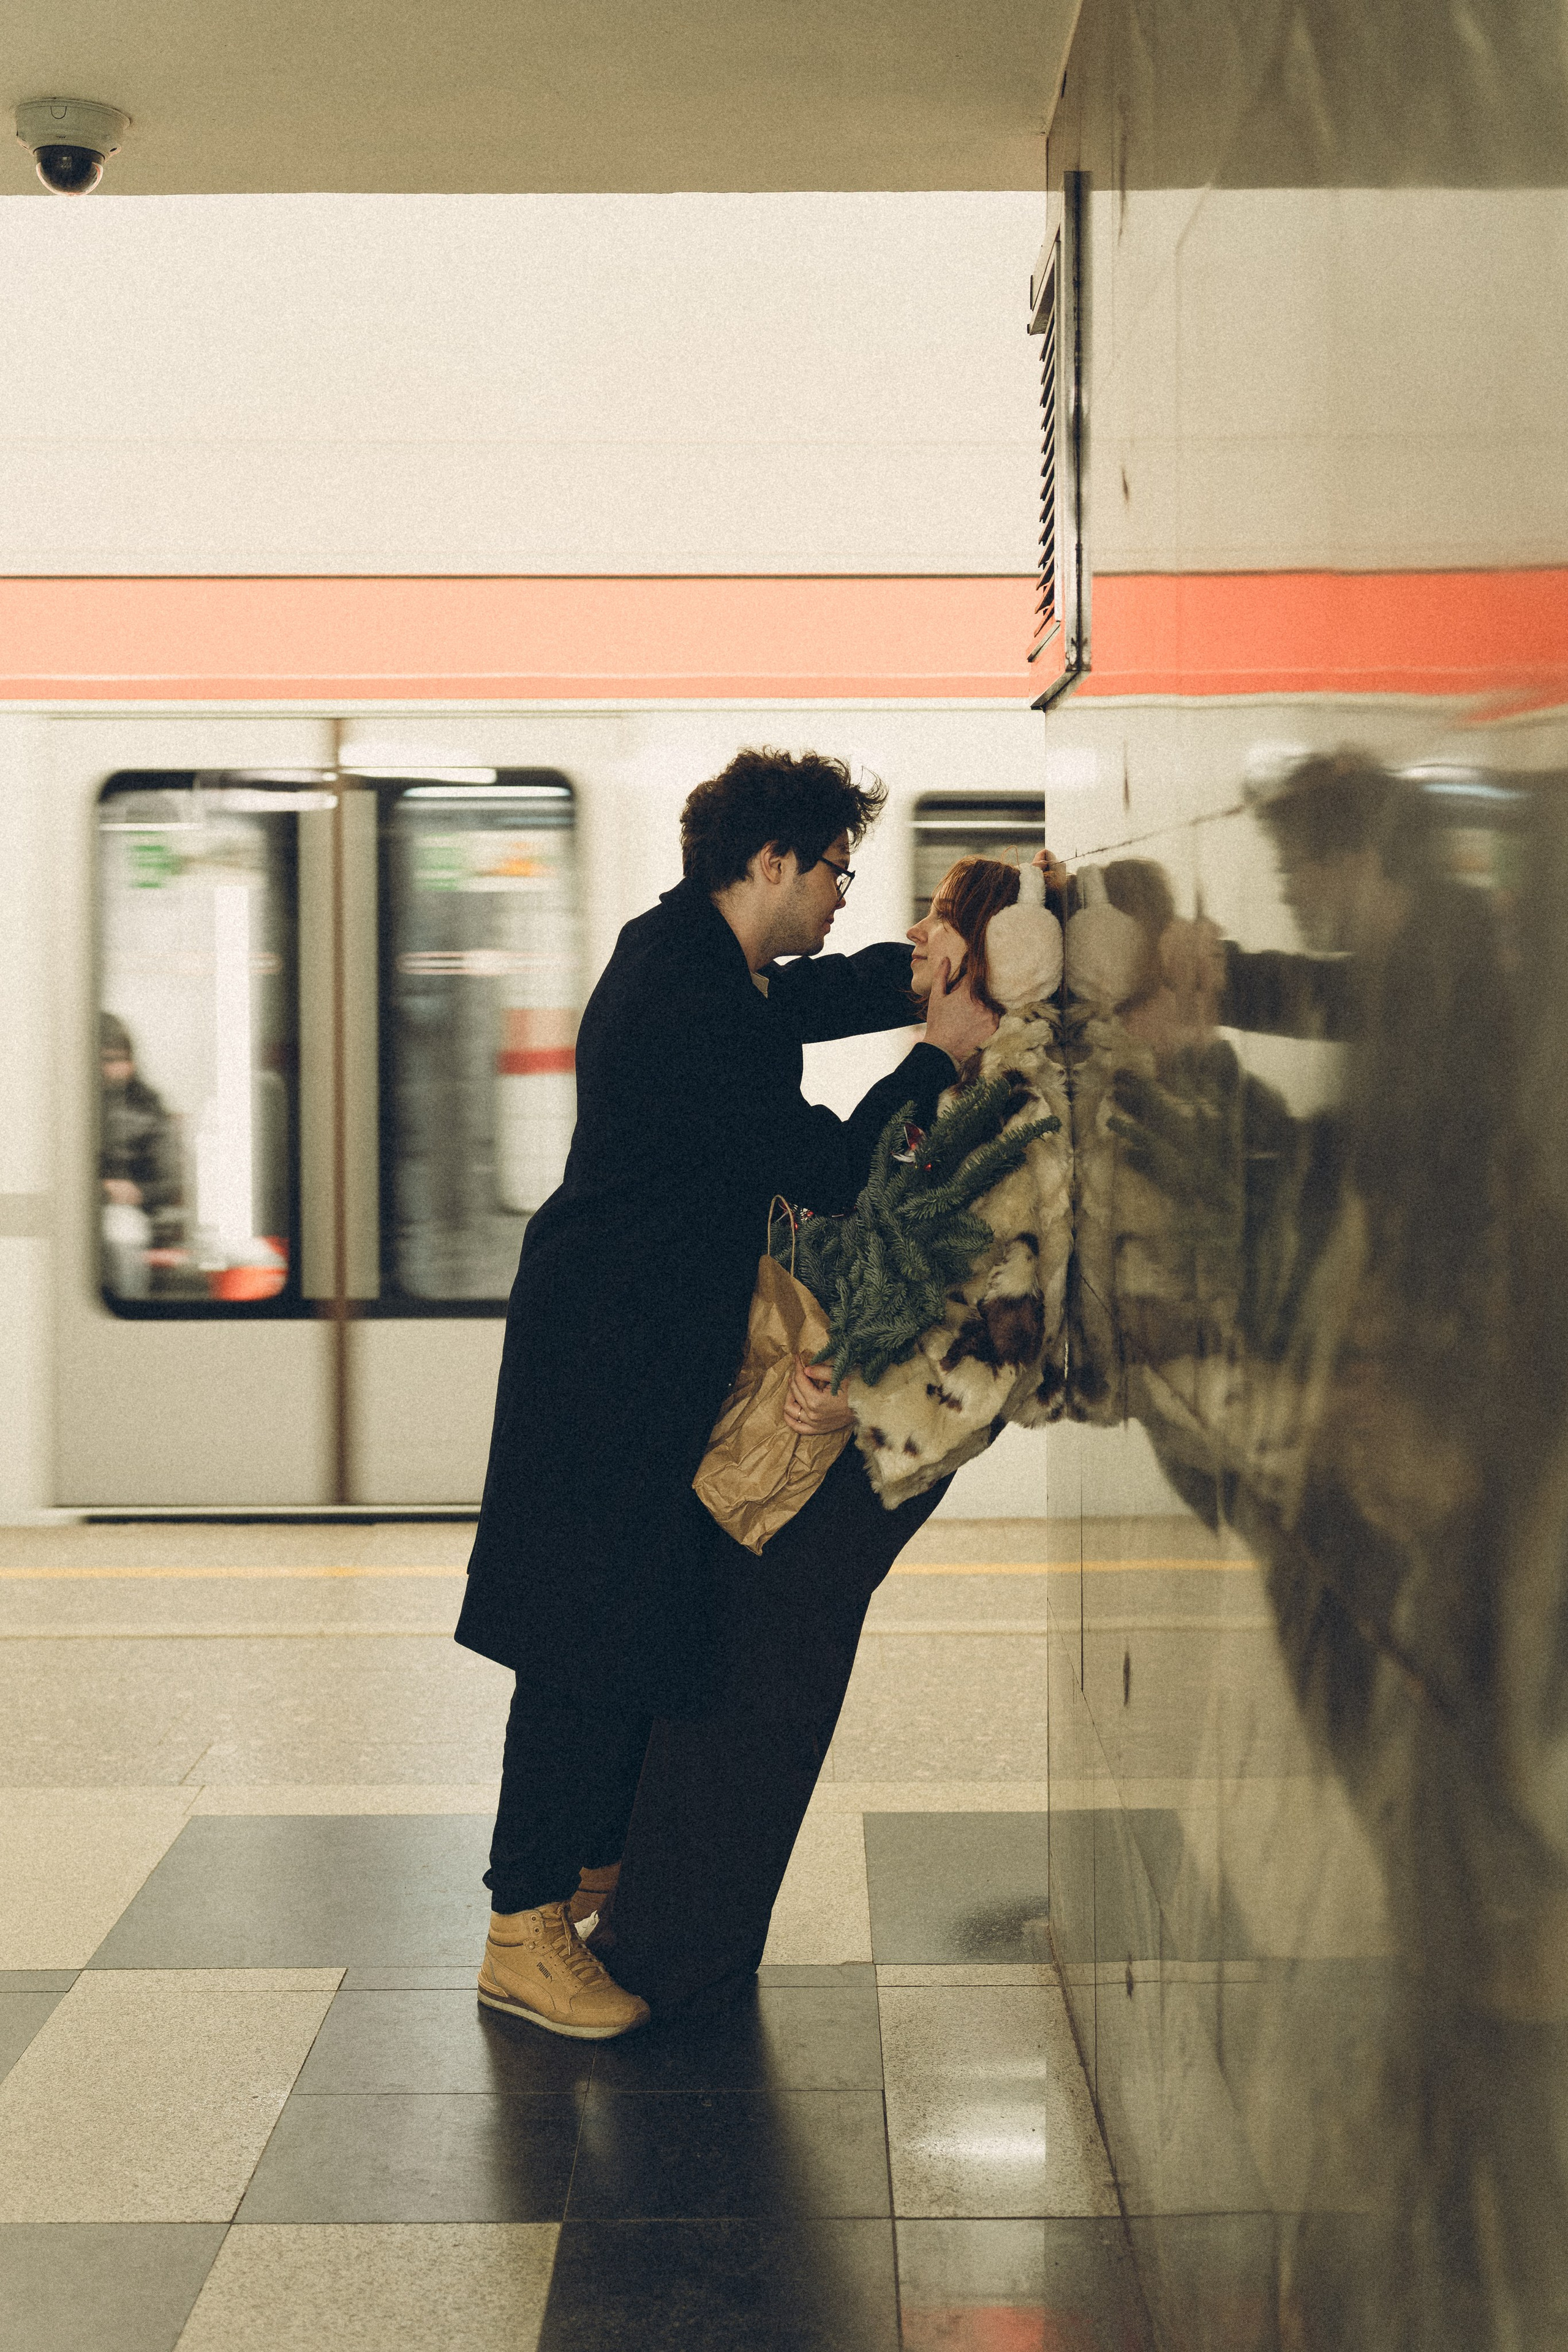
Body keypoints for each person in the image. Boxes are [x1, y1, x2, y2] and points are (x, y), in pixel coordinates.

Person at [456, 747, 998, 2039]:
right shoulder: (693, 1004)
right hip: (608, 1358)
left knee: (623, 1610)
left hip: (631, 1340)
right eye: (834, 874)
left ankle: (586, 1865)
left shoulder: (693, 954)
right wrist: (936, 1050)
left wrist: (930, 960)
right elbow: (828, 1168)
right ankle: (521, 1930)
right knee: (581, 1642)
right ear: (774, 863)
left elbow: (800, 1000)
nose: (840, 902)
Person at [597, 848, 1069, 2019]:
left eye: (933, 929)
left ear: (975, 960)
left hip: (878, 1450)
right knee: (744, 1668)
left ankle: (677, 1951)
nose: (908, 936)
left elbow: (988, 1302)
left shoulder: (1010, 1104)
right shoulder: (982, 1081)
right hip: (857, 1430)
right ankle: (670, 1929)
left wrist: (853, 1387)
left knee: (762, 1688)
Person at [99, 1012, 183, 1299]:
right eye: (103, 1060)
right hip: (72, 1207)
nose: (112, 1070)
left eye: (118, 1059)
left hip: (126, 1210)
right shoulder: (62, 1105)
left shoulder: (148, 1107)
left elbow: (170, 1181)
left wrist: (134, 1194)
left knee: (121, 1237)